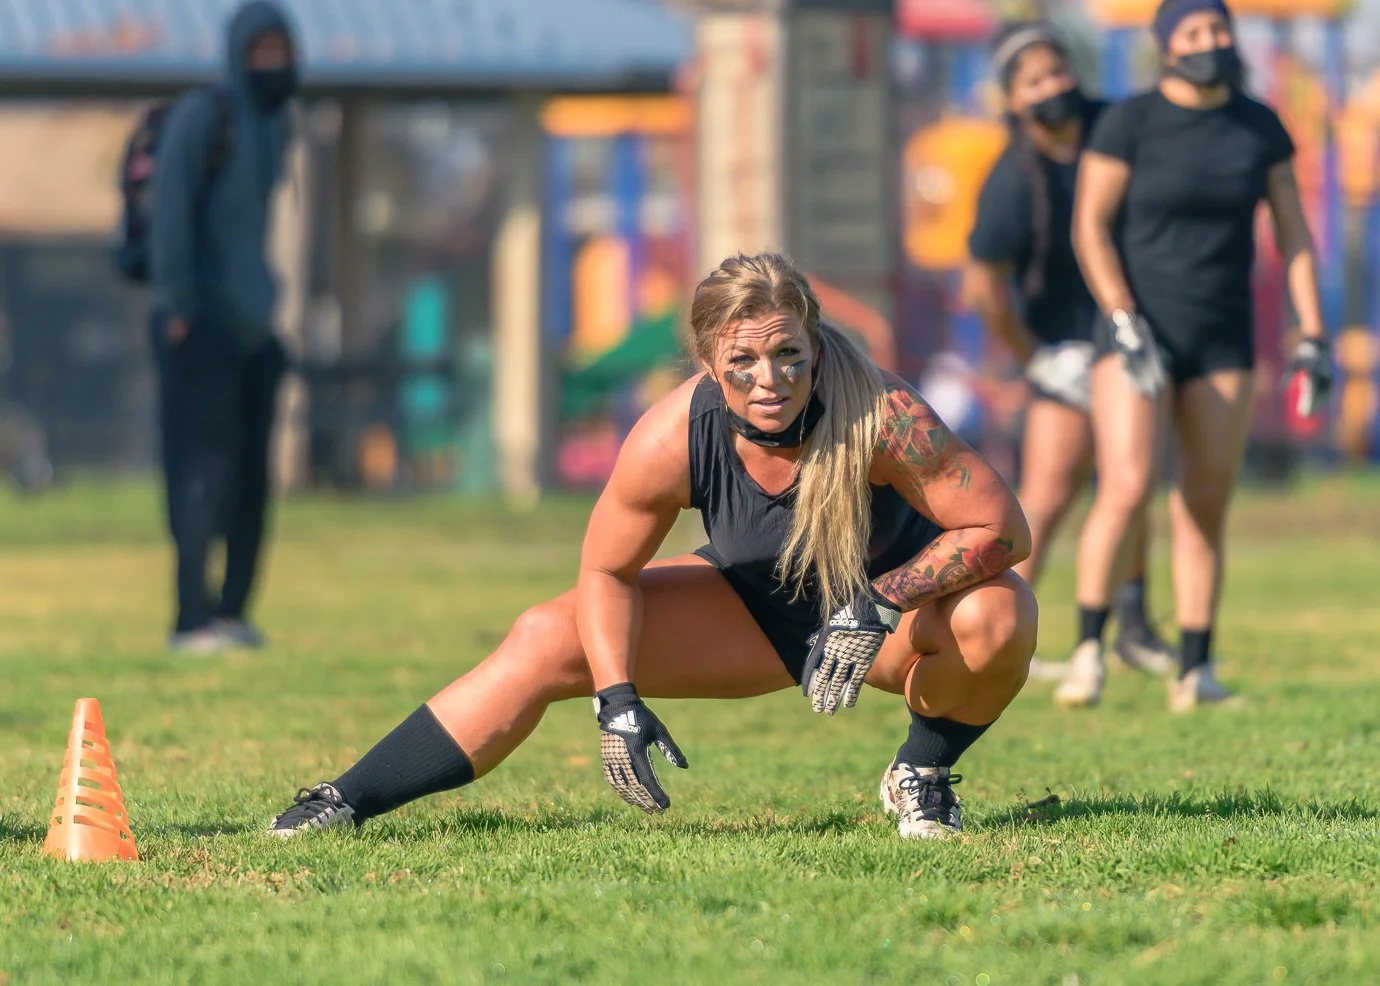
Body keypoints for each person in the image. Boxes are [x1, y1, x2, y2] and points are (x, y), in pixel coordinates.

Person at [268, 252, 1037, 840]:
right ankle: (341, 802)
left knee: (1001, 613)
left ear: (814, 343)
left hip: (885, 623)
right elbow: (607, 570)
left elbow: (1002, 529)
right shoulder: (674, 434)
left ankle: (922, 771)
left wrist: (881, 599)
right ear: (709, 361)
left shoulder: (881, 409)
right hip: (753, 611)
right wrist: (617, 699)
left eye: (788, 355)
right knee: (542, 635)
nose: (769, 379)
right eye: (743, 361)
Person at [1068, 0, 1332, 709]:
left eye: (1217, 28)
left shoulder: (1259, 125)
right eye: (1192, 32)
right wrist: (1122, 318)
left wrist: (1312, 332)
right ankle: (1088, 650)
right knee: (1125, 487)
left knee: (1205, 505)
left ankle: (1196, 670)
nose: (1210, 41)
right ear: (1165, 46)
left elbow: (1296, 235)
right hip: (1137, 333)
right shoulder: (1130, 122)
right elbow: (1089, 228)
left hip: (1222, 337)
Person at [964, 22, 1176, 693]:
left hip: (1128, 329)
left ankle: (1136, 626)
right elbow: (983, 291)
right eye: (1035, 82)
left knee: (1130, 478)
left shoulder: (1112, 128)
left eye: (1058, 73)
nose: (1053, 87)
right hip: (1061, 346)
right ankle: (997, 633)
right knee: (1048, 491)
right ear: (1012, 100)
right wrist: (1038, 359)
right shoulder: (1007, 184)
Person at [149, 0, 298, 653]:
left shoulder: (276, 124)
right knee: (198, 477)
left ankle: (234, 612)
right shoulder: (203, 116)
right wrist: (179, 306)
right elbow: (169, 214)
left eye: (282, 53)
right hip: (197, 323)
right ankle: (191, 618)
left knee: (251, 479)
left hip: (254, 330)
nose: (274, 66)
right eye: (262, 52)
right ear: (239, 54)